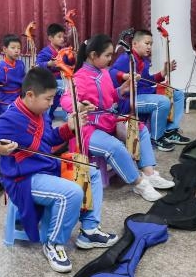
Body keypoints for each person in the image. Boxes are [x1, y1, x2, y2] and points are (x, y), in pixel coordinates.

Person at [0, 67, 118, 272]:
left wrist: (69, 127)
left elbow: (50, 139)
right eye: (48, 98)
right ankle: (53, 243)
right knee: (72, 193)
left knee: (92, 171)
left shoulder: (40, 112)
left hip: (45, 167)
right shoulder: (10, 118)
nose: (52, 103)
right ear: (30, 95)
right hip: (22, 179)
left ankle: (89, 229)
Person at [61, 35, 174, 201]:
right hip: (87, 126)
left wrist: (122, 89)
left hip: (108, 119)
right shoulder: (79, 77)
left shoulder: (104, 72)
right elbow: (65, 99)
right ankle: (139, 183)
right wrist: (78, 106)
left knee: (139, 129)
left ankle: (149, 173)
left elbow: (111, 97)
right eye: (107, 55)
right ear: (93, 55)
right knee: (114, 147)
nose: (110, 59)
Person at [35, 23, 73, 117]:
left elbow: (69, 63)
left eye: (63, 37)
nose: (62, 39)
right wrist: (48, 64)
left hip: (62, 78)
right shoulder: (45, 52)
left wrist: (73, 57)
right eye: (59, 37)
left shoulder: (63, 50)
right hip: (50, 80)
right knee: (66, 88)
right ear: (50, 38)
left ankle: (59, 113)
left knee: (59, 98)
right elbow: (38, 64)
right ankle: (47, 116)